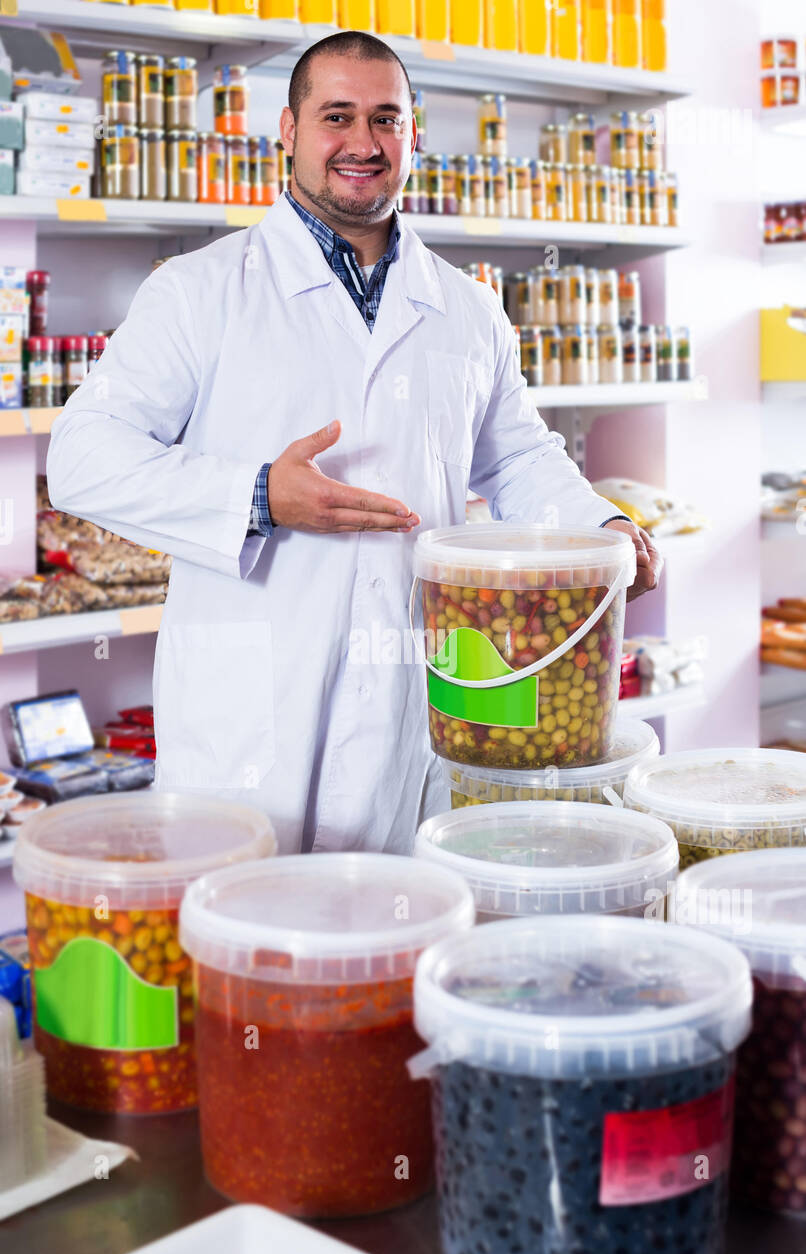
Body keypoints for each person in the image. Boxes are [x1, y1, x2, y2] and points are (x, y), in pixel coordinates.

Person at [47, 30, 661, 855]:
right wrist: (260, 496)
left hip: (412, 697)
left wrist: (603, 529)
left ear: (413, 137)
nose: (363, 143)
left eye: (386, 119)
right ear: (289, 134)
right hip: (250, 711)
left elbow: (516, 455)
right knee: (249, 947)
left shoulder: (465, 308)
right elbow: (83, 455)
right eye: (337, 116)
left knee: (396, 943)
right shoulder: (200, 291)